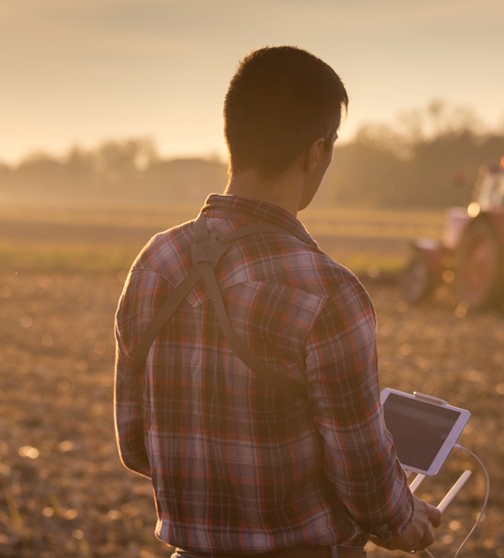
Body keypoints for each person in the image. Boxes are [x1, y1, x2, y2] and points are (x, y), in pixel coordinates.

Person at [113, 46, 442, 558]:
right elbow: (363, 475)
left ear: (233, 136)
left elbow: (135, 445)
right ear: (316, 152)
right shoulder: (327, 291)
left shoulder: (156, 263)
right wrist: (403, 520)